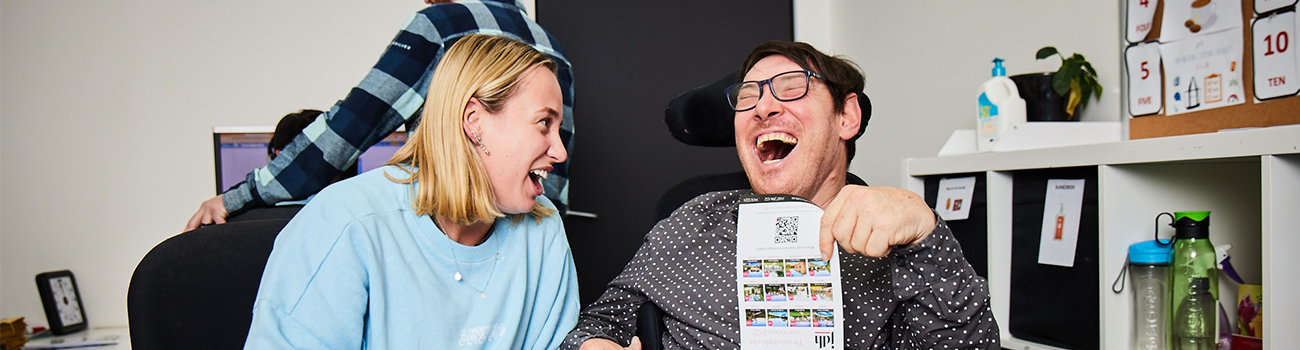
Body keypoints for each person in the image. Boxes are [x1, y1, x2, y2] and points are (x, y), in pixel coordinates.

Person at [564, 41, 999, 349]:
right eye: (747, 96)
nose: (762, 107)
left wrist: (926, 233)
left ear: (846, 116)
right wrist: (594, 343)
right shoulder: (692, 219)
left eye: (791, 87)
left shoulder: (897, 243)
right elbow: (602, 319)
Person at [244, 34, 579, 349]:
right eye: (544, 123)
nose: (560, 152)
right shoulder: (345, 226)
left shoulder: (543, 231)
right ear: (474, 121)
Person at [186, 0, 575, 231]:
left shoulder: (441, 26)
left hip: (441, 245)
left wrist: (242, 195)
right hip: (530, 247)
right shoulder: (552, 49)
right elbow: (550, 192)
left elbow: (349, 128)